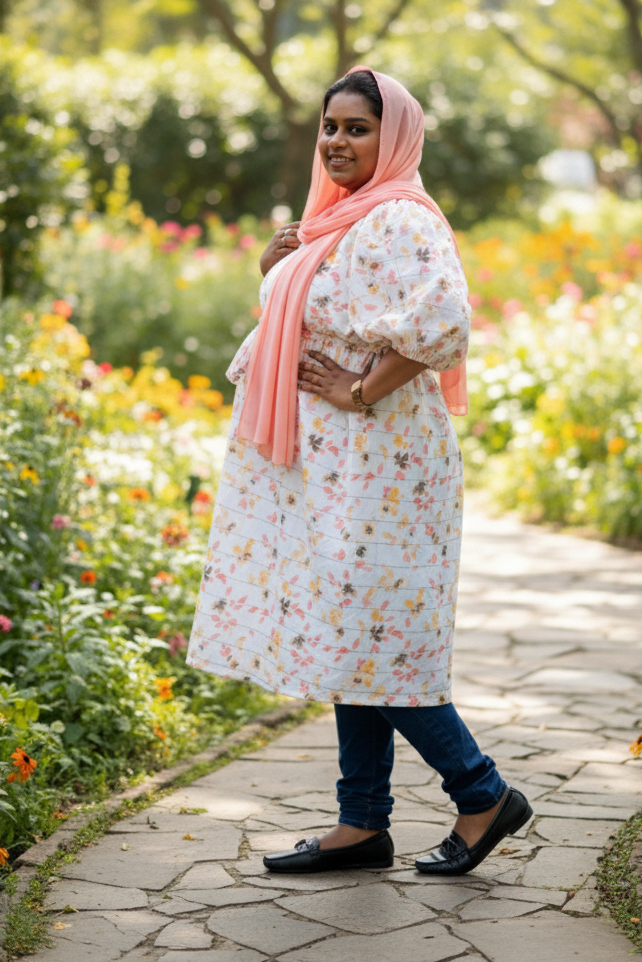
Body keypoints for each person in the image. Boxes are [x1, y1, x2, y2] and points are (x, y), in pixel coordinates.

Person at [186, 66, 531, 875]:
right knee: (356, 633)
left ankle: (480, 792)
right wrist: (276, 271)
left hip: (384, 467)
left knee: (376, 637)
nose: (338, 142)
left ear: (395, 137)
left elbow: (443, 319)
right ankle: (363, 822)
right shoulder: (339, 220)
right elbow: (332, 316)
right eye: (330, 128)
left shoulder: (403, 217)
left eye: (357, 128)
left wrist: (361, 387)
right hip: (336, 467)